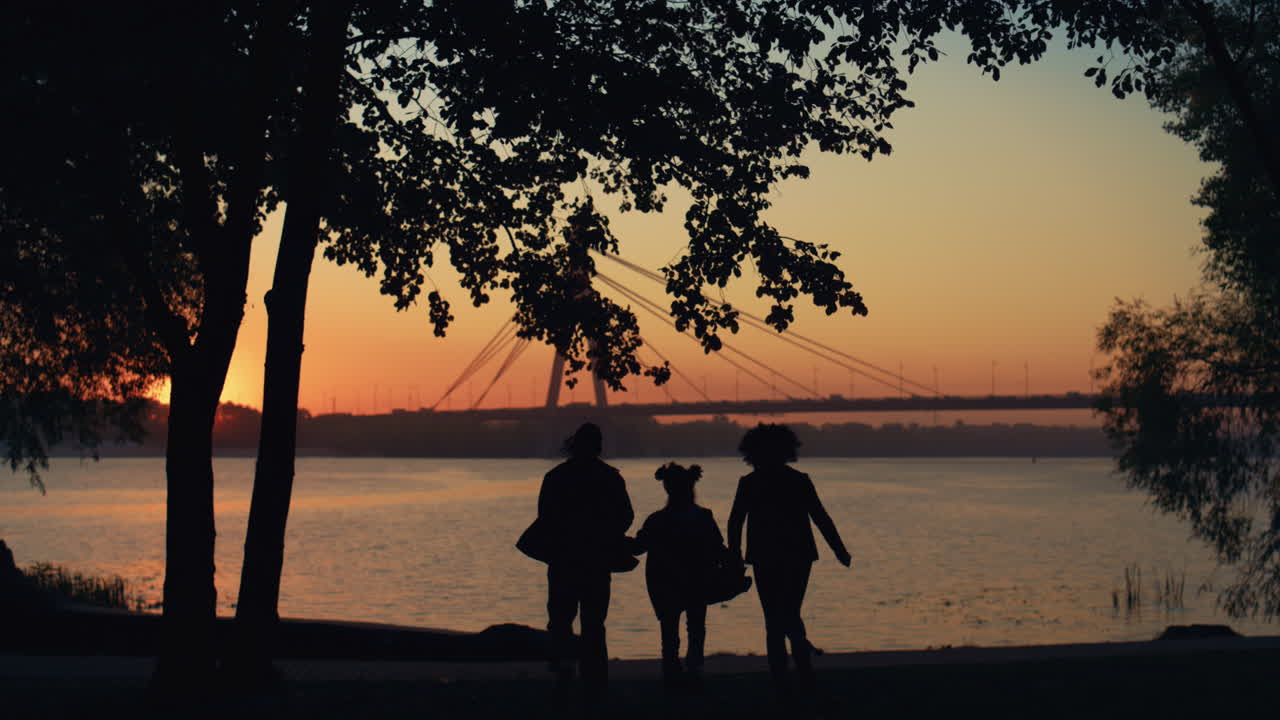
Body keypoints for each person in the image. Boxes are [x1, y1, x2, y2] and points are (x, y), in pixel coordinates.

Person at [727, 423, 851, 693]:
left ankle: (780, 675)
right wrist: (839, 549)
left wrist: (734, 555)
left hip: (764, 555)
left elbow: (736, 521)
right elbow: (820, 517)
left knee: (773, 616)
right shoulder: (799, 480)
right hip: (798, 554)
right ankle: (803, 670)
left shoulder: (749, 483)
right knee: (791, 611)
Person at [536, 422, 633, 698]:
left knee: (560, 618)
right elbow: (625, 515)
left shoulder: (555, 477)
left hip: (563, 559)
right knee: (594, 621)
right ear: (598, 446)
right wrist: (606, 534)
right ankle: (595, 676)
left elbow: (545, 518)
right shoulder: (611, 478)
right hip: (597, 560)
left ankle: (562, 671)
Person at [631, 463, 725, 690]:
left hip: (664, 582)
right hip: (697, 580)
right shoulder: (703, 517)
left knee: (669, 630)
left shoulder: (656, 520)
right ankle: (694, 670)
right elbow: (717, 547)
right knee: (696, 628)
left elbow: (639, 546)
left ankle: (671, 671)